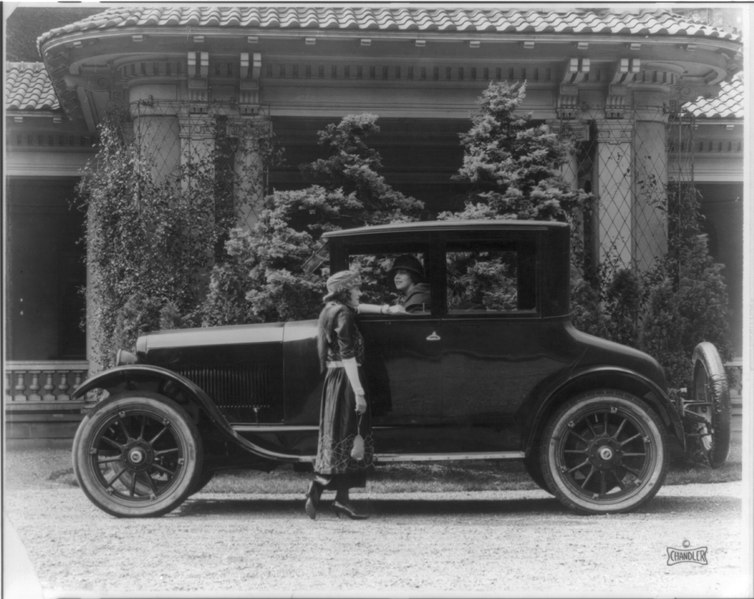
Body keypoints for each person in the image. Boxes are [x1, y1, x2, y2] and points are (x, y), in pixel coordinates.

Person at [305, 270, 373, 520]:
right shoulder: (343, 313)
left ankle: (342, 500)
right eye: (356, 289)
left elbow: (361, 307)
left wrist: (388, 310)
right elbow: (348, 354)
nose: (360, 292)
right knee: (348, 436)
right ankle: (318, 485)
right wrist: (359, 392)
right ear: (346, 291)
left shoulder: (331, 309)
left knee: (342, 436)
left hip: (335, 380)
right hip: (347, 379)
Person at [357, 254, 432, 316]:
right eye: (396, 273)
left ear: (413, 276)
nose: (396, 277)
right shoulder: (414, 295)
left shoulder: (420, 297)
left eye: (402, 273)